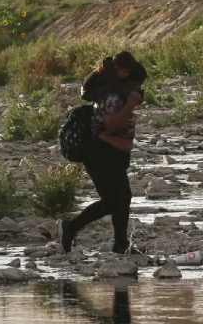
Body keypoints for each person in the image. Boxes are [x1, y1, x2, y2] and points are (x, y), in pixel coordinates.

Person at [60, 51, 146, 255]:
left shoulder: (114, 92)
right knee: (112, 200)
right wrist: (130, 104)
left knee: (122, 197)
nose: (140, 90)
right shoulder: (113, 98)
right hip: (99, 152)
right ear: (125, 75)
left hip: (109, 150)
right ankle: (71, 227)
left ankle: (120, 244)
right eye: (137, 85)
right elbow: (111, 124)